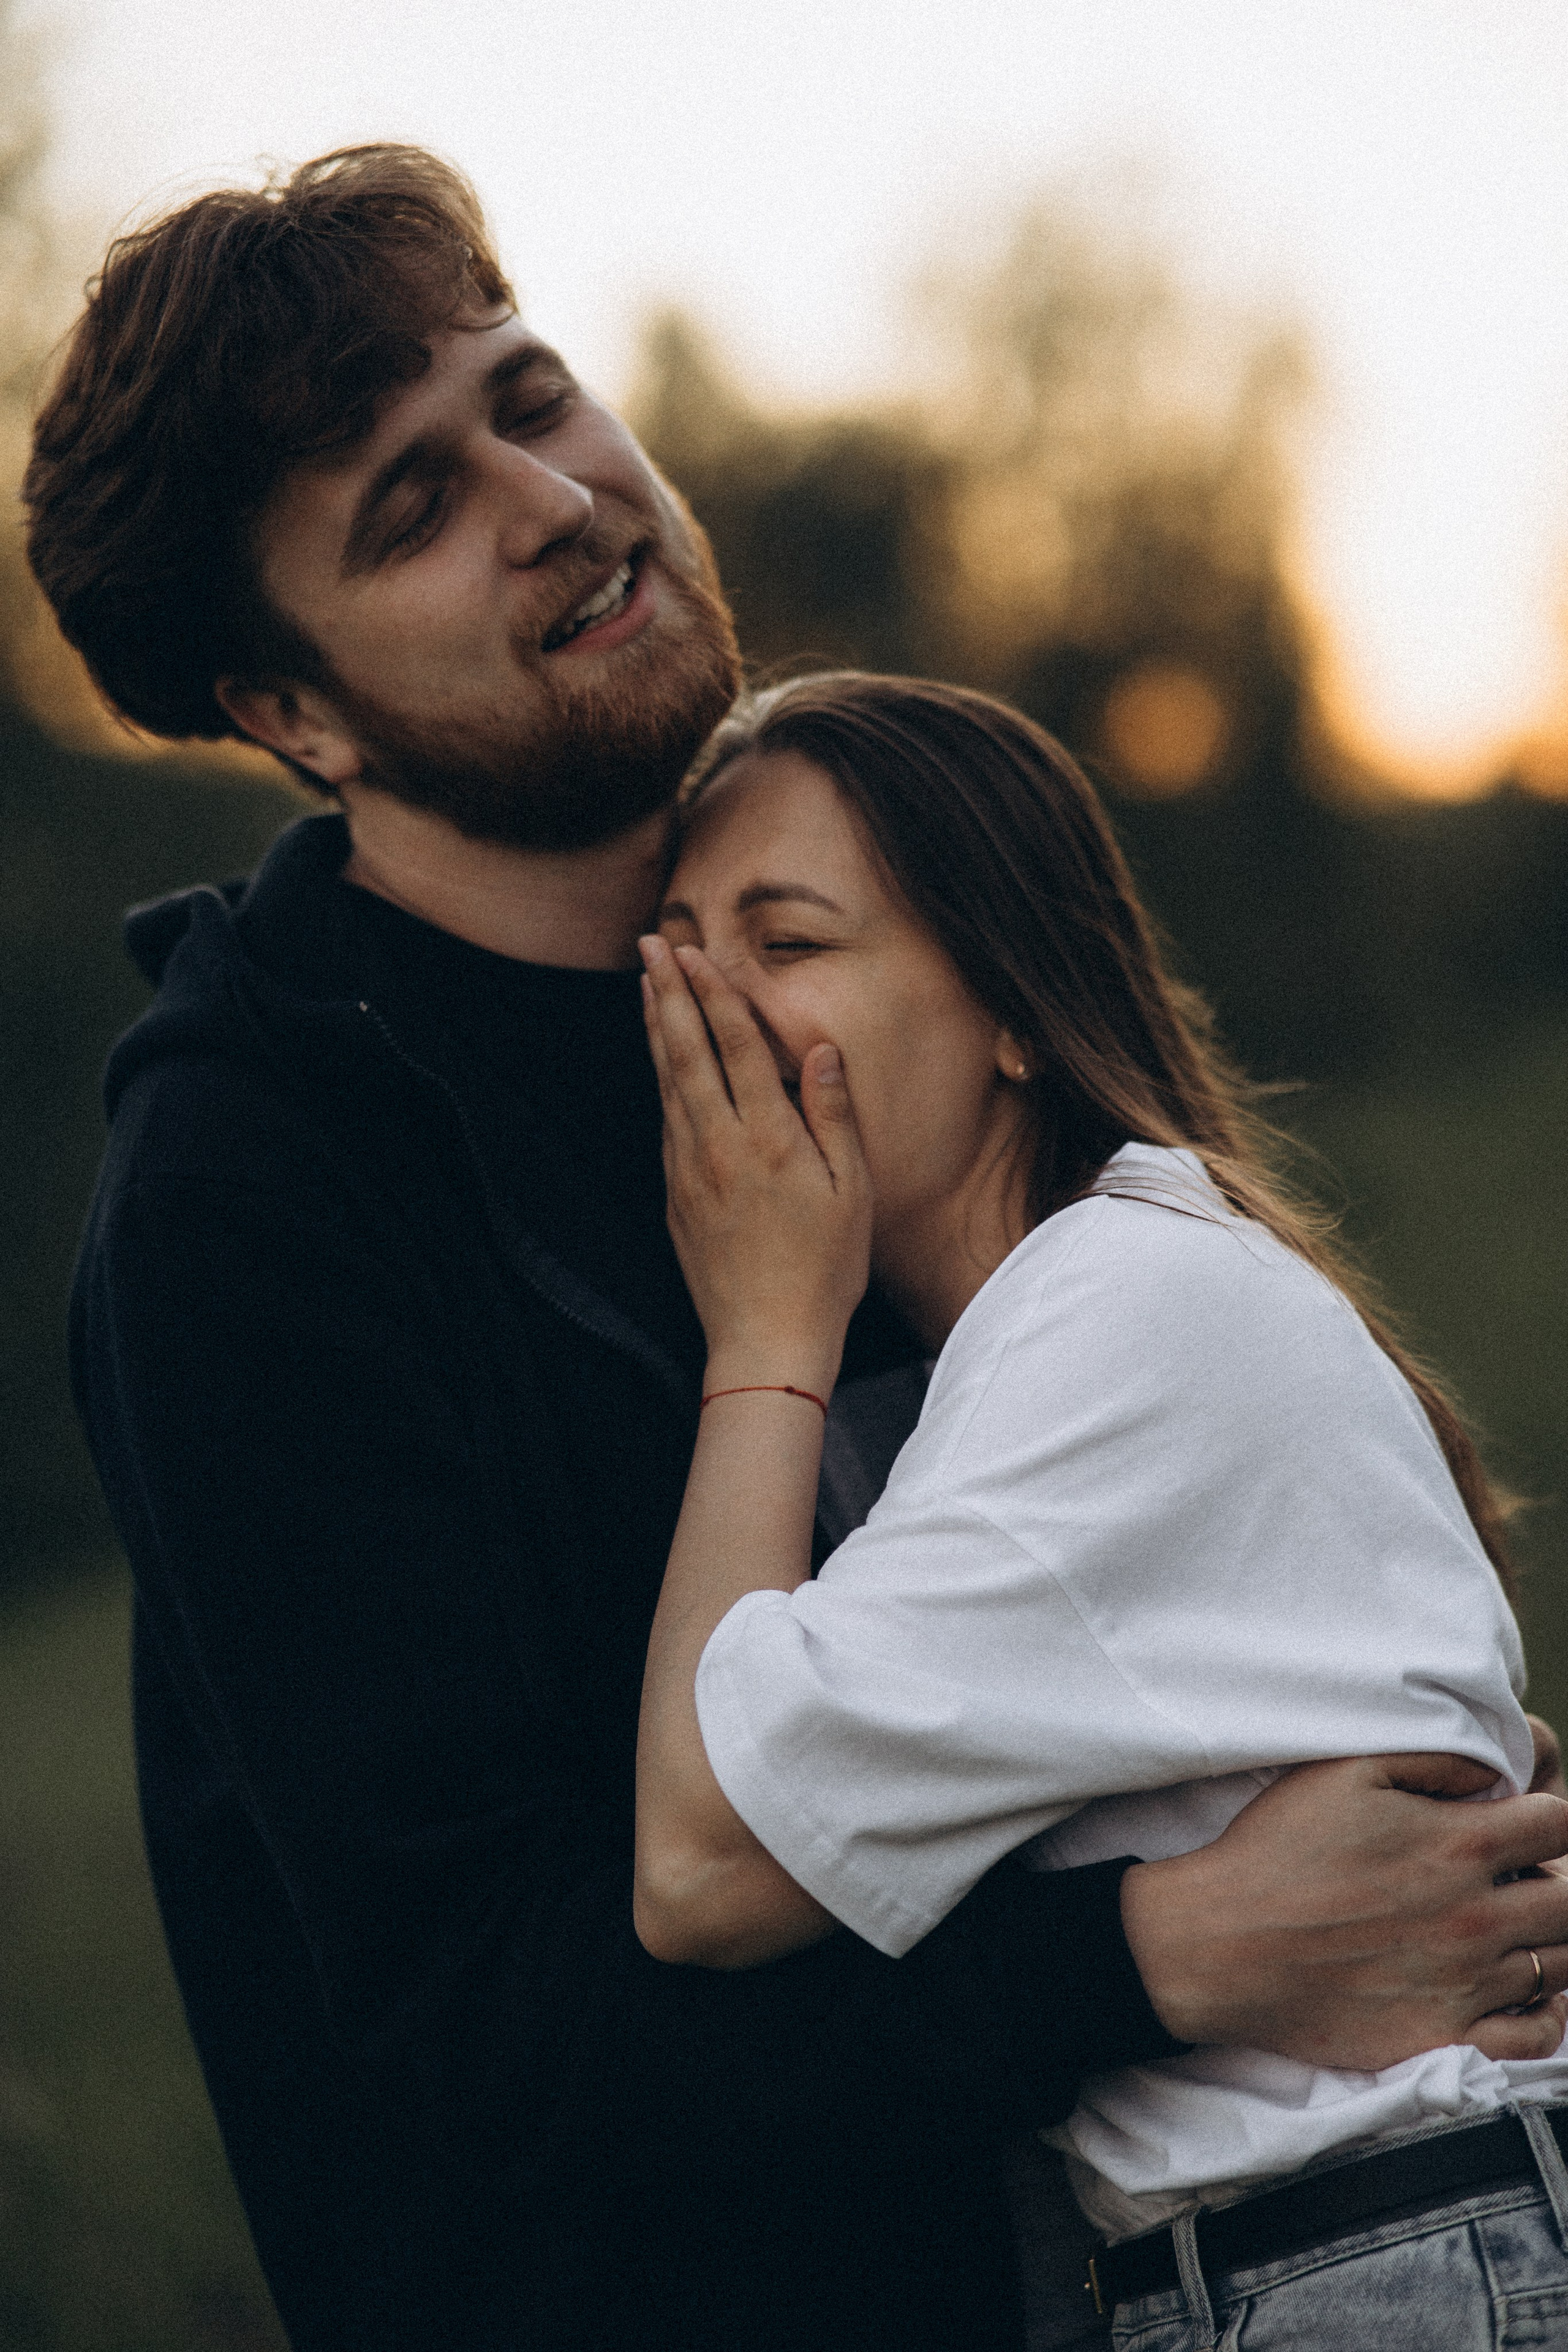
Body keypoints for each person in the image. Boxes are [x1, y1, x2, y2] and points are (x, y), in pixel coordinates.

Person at [24, 146, 1568, 2352]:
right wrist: (1175, 1951)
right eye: (410, 510)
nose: (550, 497)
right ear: (295, 717)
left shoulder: (870, 974)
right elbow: (482, 2025)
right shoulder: (256, 1203)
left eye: (531, 397)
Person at [631, 669, 1568, 2350]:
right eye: (682, 956)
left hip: (1383, 2273)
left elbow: (708, 1861)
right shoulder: (1058, 1326)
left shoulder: (1114, 1311)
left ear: (1009, 1009)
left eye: (784, 943)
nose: (709, 1013)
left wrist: (762, 1334)